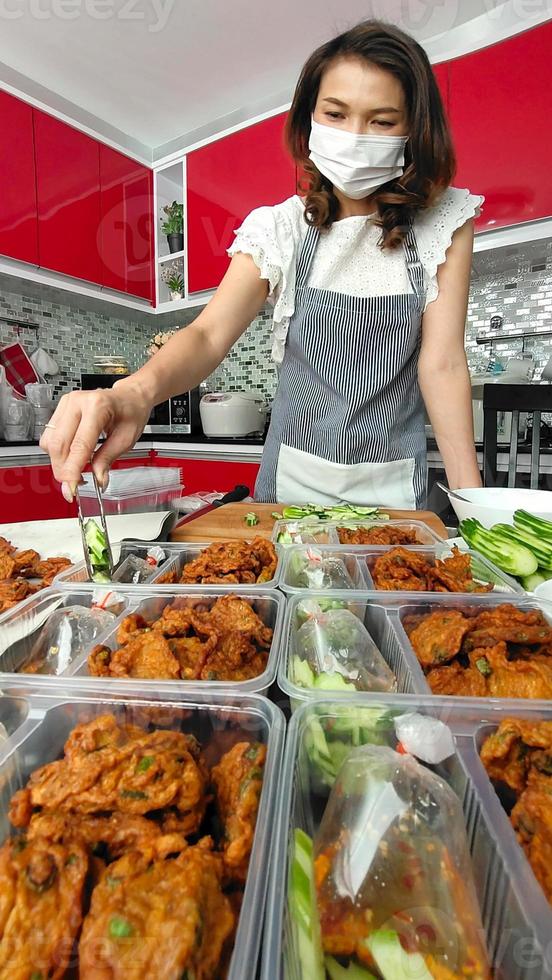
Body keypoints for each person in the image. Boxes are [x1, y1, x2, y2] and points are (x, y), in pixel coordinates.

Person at [41, 19, 483, 509]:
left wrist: (475, 507)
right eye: (335, 114)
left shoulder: (444, 223)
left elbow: (442, 364)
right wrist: (133, 393)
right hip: (290, 487)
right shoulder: (281, 228)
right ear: (309, 120)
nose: (356, 136)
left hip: (394, 489)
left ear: (414, 130)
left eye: (381, 121)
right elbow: (208, 336)